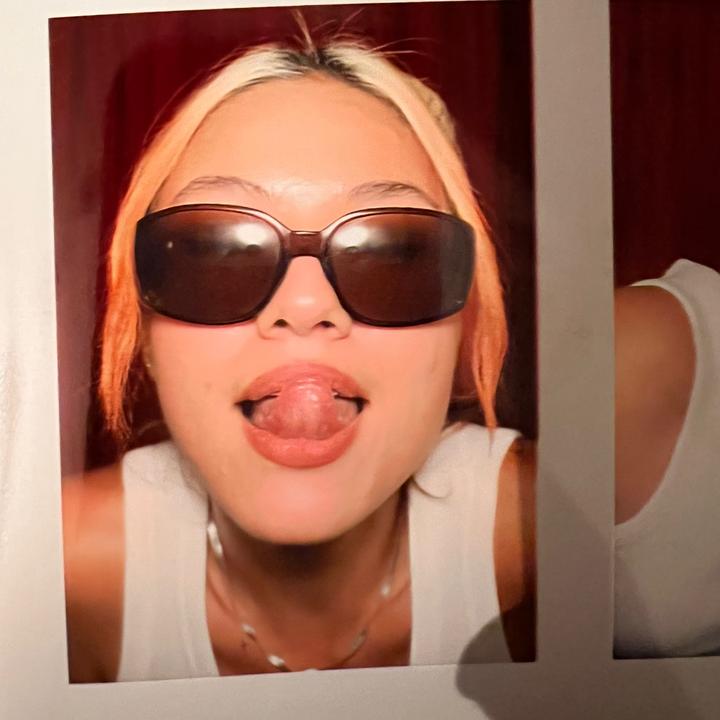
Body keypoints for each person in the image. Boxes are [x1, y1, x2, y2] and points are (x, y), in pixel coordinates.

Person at [61, 36, 713, 682]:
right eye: (217, 250)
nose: (306, 304)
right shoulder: (53, 573)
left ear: (463, 328)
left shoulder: (566, 528)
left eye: (393, 252)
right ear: (143, 332)